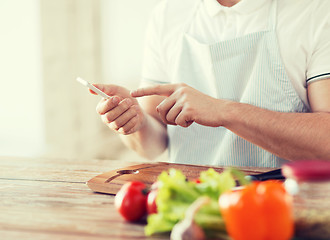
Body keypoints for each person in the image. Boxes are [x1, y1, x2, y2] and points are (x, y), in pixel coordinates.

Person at [92, 0, 330, 167]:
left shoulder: (316, 11)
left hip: (283, 208)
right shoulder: (167, 14)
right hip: (192, 204)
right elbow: (154, 145)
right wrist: (135, 121)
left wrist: (223, 111)